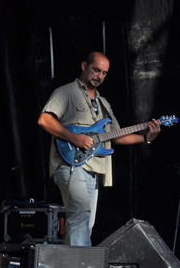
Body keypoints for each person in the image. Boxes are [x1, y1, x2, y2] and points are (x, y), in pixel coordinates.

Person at [38, 52, 160, 246]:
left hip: (93, 169)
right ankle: (81, 265)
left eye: (104, 73)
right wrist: (75, 138)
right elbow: (44, 120)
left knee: (86, 222)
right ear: (84, 66)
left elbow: (116, 135)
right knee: (81, 214)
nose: (99, 76)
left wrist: (145, 137)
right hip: (70, 165)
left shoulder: (103, 104)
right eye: (96, 70)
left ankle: (75, 262)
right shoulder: (66, 92)